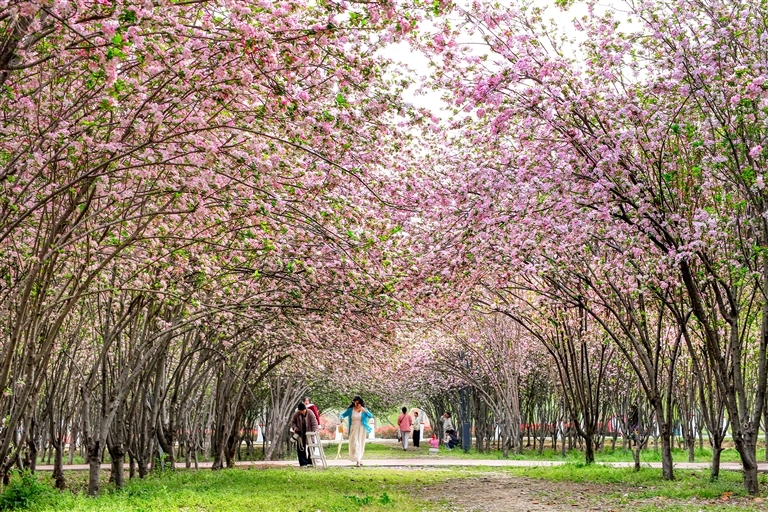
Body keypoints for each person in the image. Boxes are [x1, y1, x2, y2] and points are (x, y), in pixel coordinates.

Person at [340, 396, 373, 466]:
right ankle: (357, 459)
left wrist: (364, 411)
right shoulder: (350, 410)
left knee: (361, 444)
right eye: (355, 403)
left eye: (358, 403)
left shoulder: (364, 409)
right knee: (354, 443)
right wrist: (341, 418)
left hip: (362, 428)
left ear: (361, 403)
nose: (357, 404)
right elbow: (342, 415)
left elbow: (370, 416)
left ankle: (358, 460)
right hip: (353, 428)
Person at [291, 402, 319, 467]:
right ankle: (303, 463)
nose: (302, 412)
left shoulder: (310, 412)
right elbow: (293, 422)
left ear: (305, 409)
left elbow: (314, 422)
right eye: (300, 411)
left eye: (303, 410)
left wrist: (315, 430)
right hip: (300, 432)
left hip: (309, 431)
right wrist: (294, 428)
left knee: (311, 446)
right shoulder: (296, 414)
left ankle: (310, 462)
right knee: (300, 447)